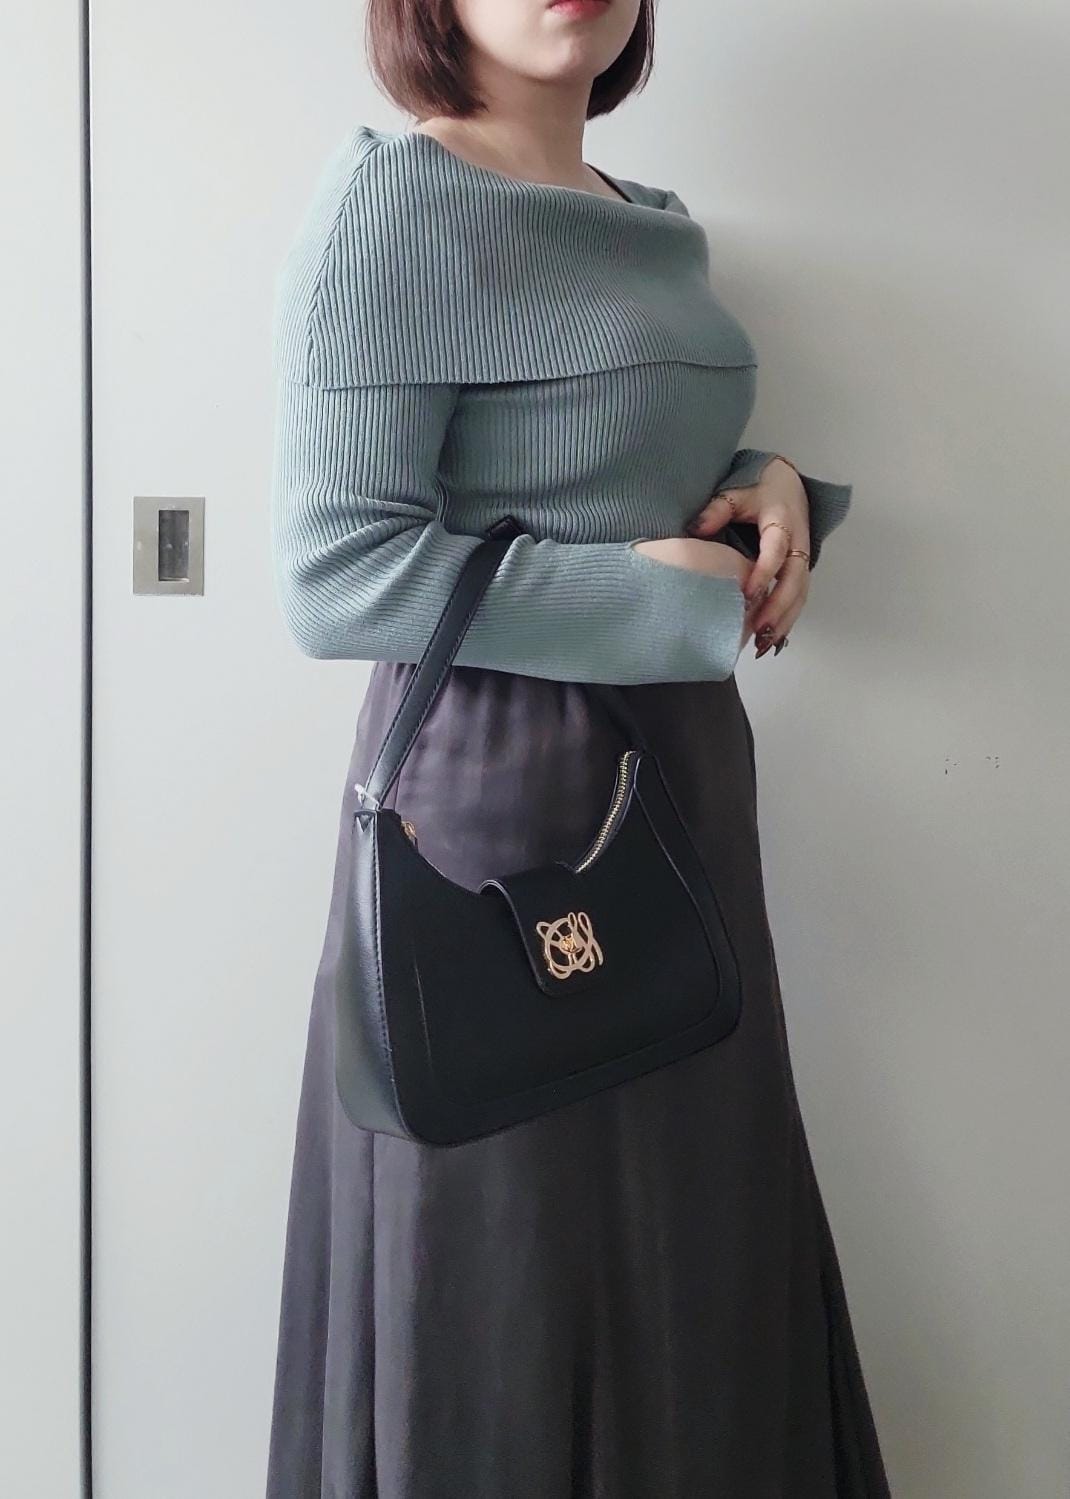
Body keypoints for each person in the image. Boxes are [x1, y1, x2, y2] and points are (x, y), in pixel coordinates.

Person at [265, 2, 891, 1494]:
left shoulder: (645, 216)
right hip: (500, 790)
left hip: (678, 772)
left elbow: (613, 469)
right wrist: (650, 599)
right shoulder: (390, 209)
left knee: (688, 1237)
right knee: (511, 1254)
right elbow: (338, 574)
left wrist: (769, 480)